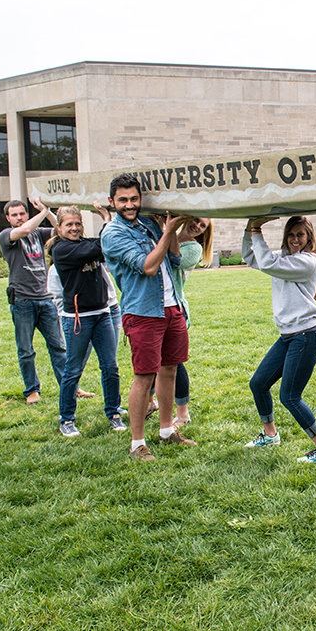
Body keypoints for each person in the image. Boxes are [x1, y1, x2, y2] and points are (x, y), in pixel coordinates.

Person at [100, 173, 196, 461]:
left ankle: (167, 430)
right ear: (111, 202)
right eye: (123, 200)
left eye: (134, 199)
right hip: (142, 312)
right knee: (144, 377)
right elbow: (148, 267)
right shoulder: (113, 234)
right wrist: (168, 231)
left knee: (170, 369)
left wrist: (171, 230)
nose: (130, 205)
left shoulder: (149, 224)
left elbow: (175, 260)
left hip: (171, 306)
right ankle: (137, 443)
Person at [242, 215, 316, 463]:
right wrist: (249, 228)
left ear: (309, 238)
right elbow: (252, 257)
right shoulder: (285, 258)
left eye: (300, 235)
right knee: (258, 384)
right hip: (288, 336)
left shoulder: (308, 261)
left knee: (290, 397)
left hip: (306, 336)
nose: (295, 239)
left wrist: (257, 229)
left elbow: (268, 263)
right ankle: (270, 435)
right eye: (291, 234)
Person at [46, 206, 124, 436]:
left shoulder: (84, 244)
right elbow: (101, 245)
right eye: (68, 224)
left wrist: (105, 226)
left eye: (77, 223)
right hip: (77, 319)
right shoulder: (61, 250)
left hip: (102, 314)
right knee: (73, 370)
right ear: (59, 227)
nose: (74, 228)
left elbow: (103, 245)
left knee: (110, 367)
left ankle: (114, 412)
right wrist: (107, 218)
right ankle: (66, 418)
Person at [0, 196, 66, 405]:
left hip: (45, 299)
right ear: (8, 219)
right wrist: (43, 212)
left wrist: (49, 211)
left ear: (27, 214)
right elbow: (24, 231)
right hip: (22, 300)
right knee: (26, 350)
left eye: (22, 213)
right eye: (14, 215)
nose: (19, 218)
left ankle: (69, 386)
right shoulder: (6, 236)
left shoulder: (40, 233)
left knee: (59, 347)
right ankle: (32, 390)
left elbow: (62, 230)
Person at [169, 217, 214, 428]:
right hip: (156, 308)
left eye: (202, 226)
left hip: (176, 308)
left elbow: (172, 260)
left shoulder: (194, 248)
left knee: (175, 363)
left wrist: (167, 230)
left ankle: (183, 413)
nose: (197, 225)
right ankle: (151, 402)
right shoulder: (171, 236)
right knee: (155, 362)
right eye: (196, 220)